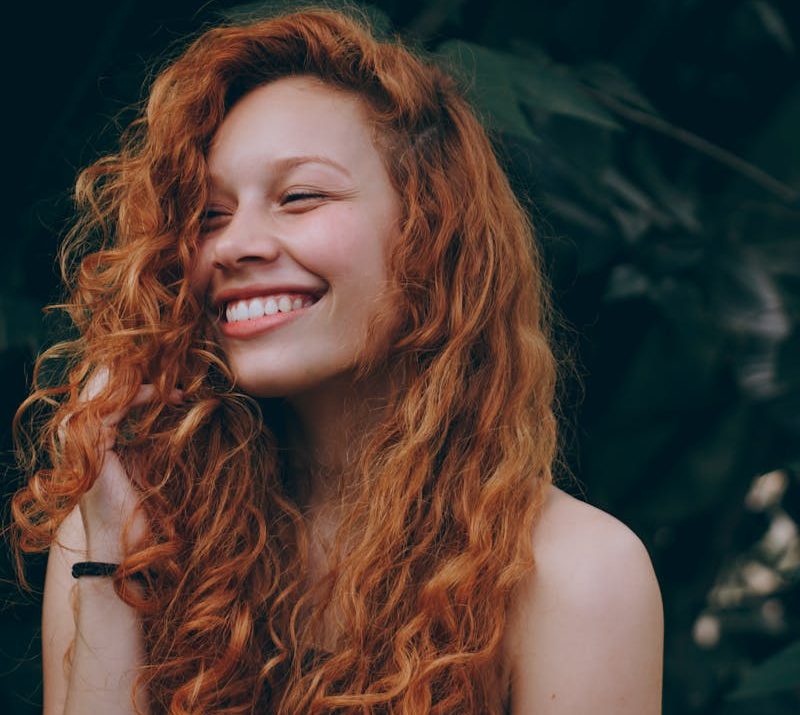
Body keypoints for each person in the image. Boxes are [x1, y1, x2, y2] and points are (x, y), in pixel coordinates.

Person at [9, 7, 663, 714]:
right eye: (210, 214)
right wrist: (111, 551)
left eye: (300, 196)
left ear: (430, 234)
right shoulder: (121, 527)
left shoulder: (577, 574)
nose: (234, 246)